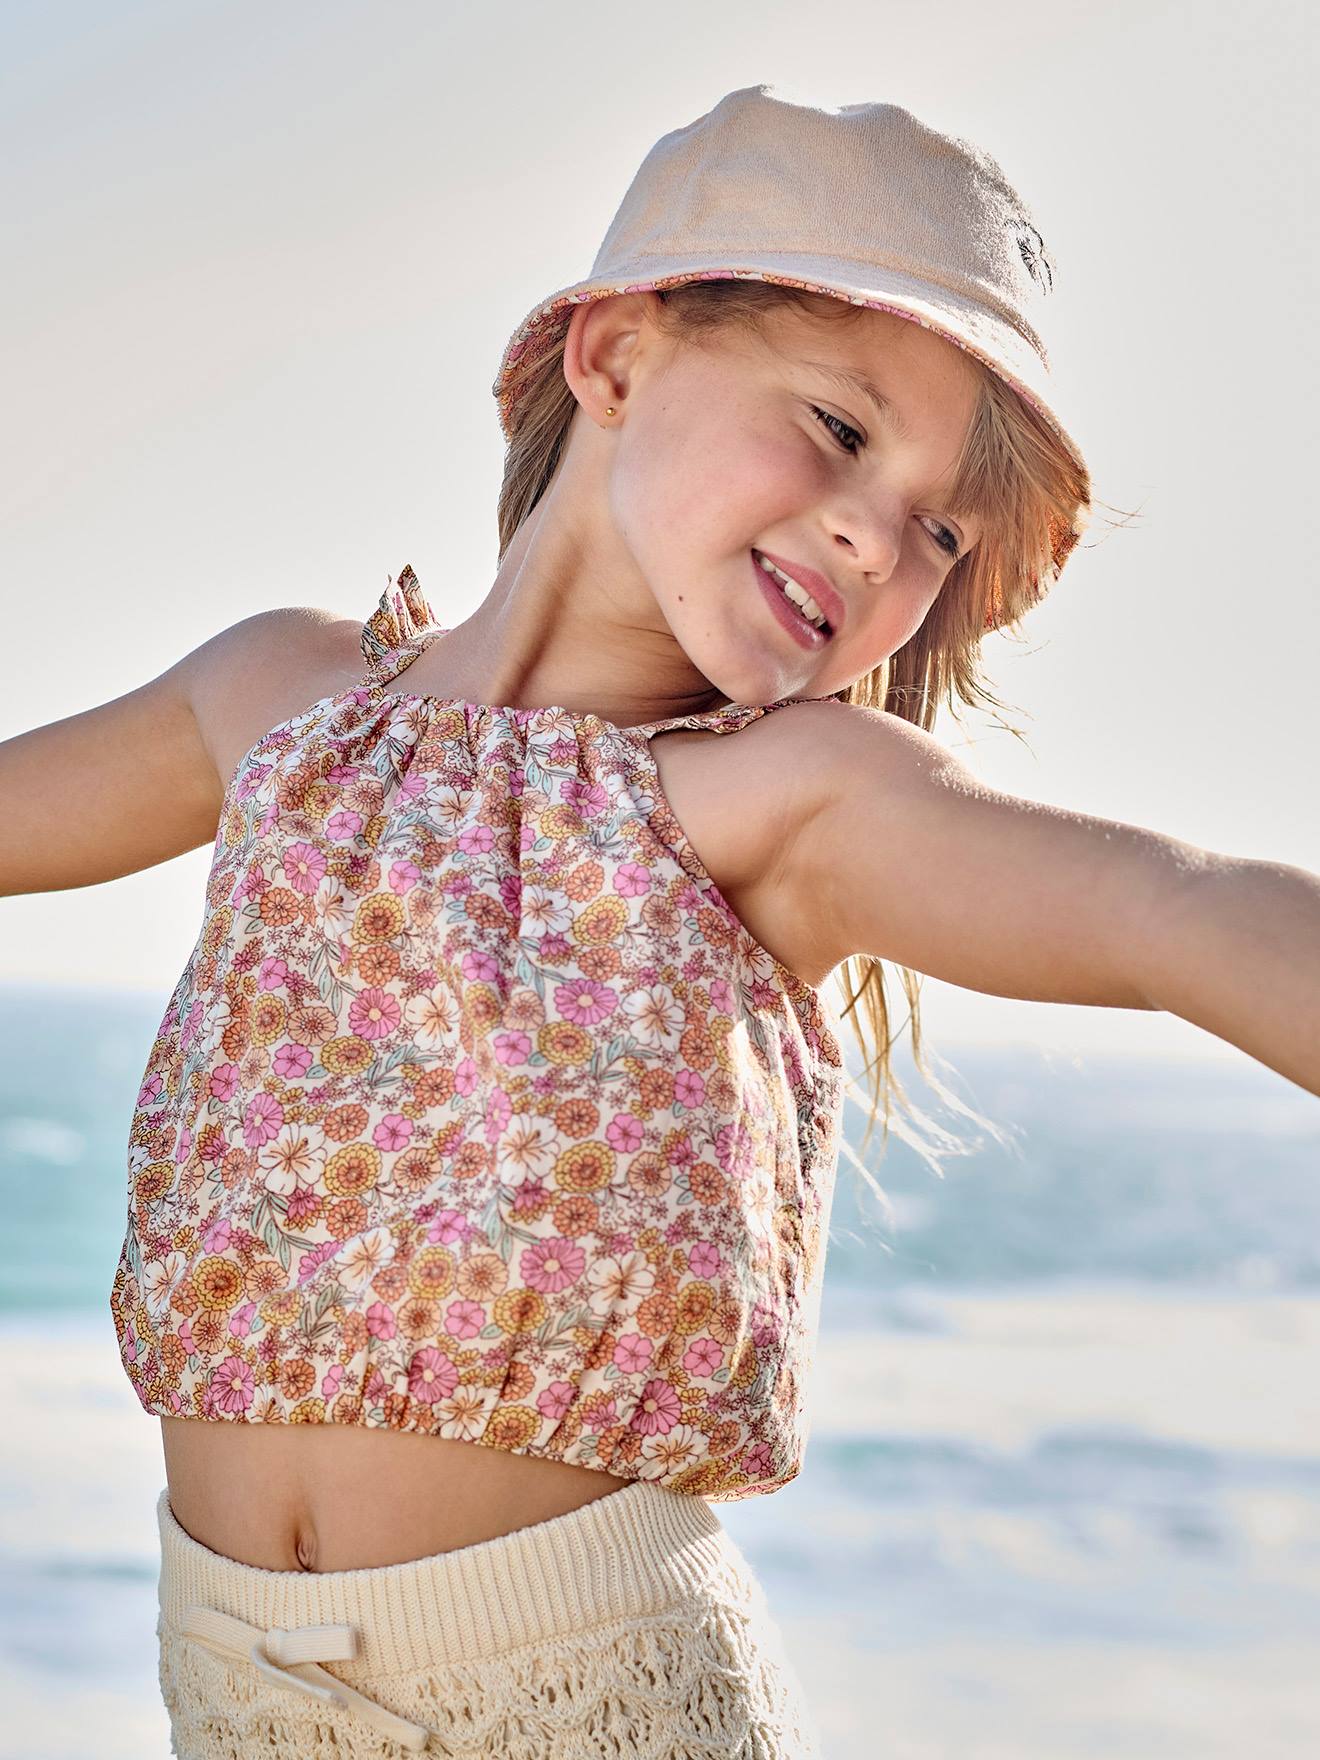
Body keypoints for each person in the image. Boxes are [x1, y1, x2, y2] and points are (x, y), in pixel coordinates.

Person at [3, 82, 1317, 1758]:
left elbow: (1178, 911)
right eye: (843, 430)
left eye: (937, 532)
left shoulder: (784, 800)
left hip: (589, 1702)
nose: (875, 536)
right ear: (615, 361)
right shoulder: (281, 702)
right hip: (233, 1696)